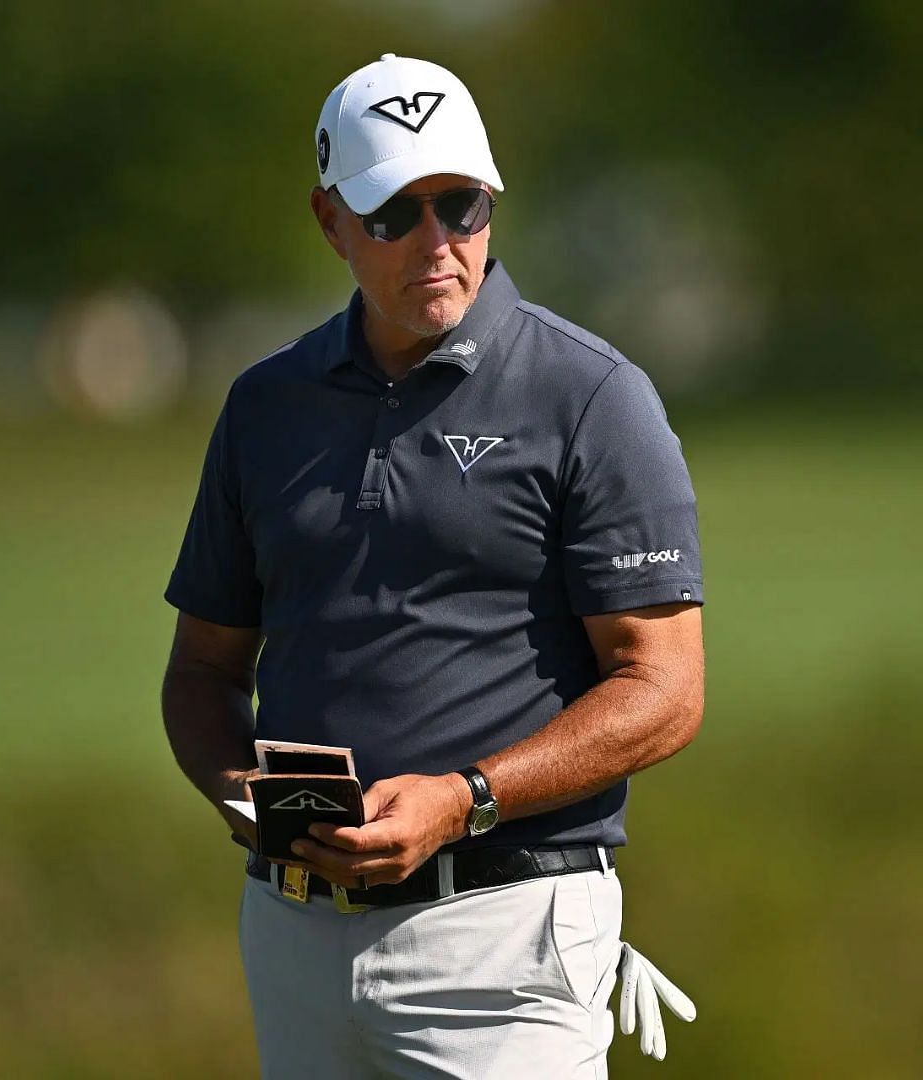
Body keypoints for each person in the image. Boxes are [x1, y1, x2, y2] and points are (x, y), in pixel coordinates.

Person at [162, 54, 700, 1076]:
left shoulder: (592, 395)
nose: (437, 242)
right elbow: (203, 672)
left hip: (508, 935)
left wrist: (467, 796)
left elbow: (665, 688)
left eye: (459, 204)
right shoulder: (265, 408)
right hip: (294, 936)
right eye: (393, 215)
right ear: (330, 222)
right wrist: (254, 801)